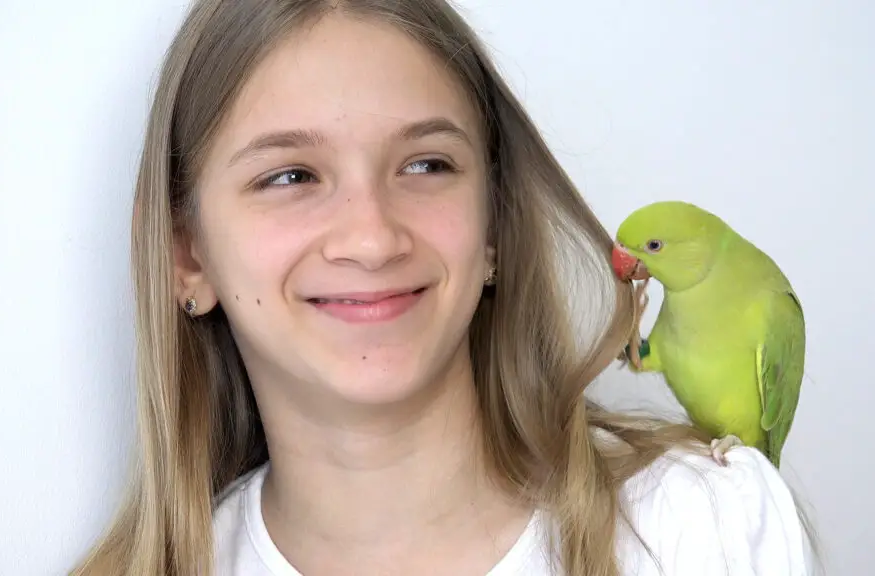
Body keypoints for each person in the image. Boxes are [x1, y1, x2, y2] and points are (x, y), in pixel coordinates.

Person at [72, 0, 817, 574]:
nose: (371, 237)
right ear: (185, 255)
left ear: (493, 226)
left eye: (427, 165)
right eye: (290, 176)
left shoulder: (705, 526)